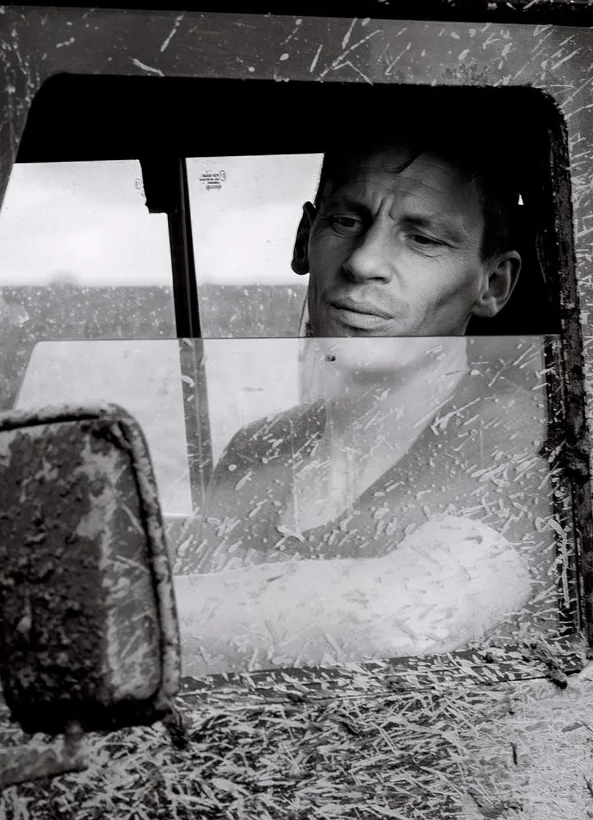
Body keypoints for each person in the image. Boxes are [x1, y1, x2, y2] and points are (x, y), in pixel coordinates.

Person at [175, 134, 547, 675]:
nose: (364, 262)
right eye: (346, 222)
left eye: (421, 238)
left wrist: (120, 612)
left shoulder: (519, 436)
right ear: (305, 239)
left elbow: (405, 617)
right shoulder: (260, 447)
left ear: (491, 284)